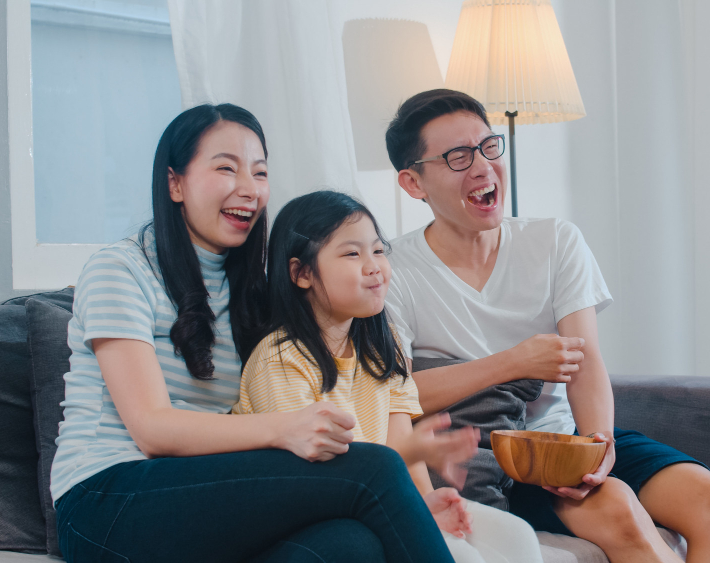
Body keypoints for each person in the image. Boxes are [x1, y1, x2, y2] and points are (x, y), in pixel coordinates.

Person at [50, 104, 455, 563]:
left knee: (350, 543)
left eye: (260, 173)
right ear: (174, 183)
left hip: (207, 489)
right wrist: (285, 429)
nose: (249, 189)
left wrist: (417, 496)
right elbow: (152, 428)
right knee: (372, 469)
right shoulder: (120, 270)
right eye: (226, 167)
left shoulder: (256, 291)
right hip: (106, 498)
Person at [383, 89, 710, 563]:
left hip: (565, 436)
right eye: (457, 157)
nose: (481, 167)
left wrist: (599, 445)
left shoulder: (553, 240)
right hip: (495, 463)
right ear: (414, 183)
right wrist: (513, 363)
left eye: (487, 147)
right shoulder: (392, 270)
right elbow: (393, 395)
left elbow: (585, 362)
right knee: (618, 509)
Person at [233, 190, 545, 563]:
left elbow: (401, 444)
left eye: (379, 251)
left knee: (515, 537)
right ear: (301, 273)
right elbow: (313, 480)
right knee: (462, 556)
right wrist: (407, 493)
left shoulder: (384, 347)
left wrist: (426, 500)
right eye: (352, 254)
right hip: (306, 518)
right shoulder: (281, 358)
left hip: (373, 500)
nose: (374, 266)